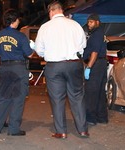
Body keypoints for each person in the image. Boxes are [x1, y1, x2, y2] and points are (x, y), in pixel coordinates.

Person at [35, 1, 89, 139]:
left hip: (54, 66)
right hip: (74, 64)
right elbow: (83, 44)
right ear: (61, 11)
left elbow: (39, 50)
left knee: (57, 99)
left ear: (51, 12)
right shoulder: (75, 25)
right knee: (77, 97)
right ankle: (83, 130)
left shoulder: (45, 27)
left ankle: (61, 131)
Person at [0, 9, 34, 136]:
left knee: (4, 98)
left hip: (4, 68)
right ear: (15, 21)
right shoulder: (20, 35)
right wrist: (31, 45)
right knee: (18, 99)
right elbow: (30, 54)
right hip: (18, 68)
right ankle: (13, 129)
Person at [83, 13, 108, 126]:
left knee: (91, 91)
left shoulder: (97, 34)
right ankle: (102, 117)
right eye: (88, 22)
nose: (89, 24)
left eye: (91, 22)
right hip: (100, 64)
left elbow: (95, 52)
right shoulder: (97, 33)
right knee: (99, 92)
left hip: (96, 64)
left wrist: (89, 67)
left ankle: (91, 118)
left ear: (97, 22)